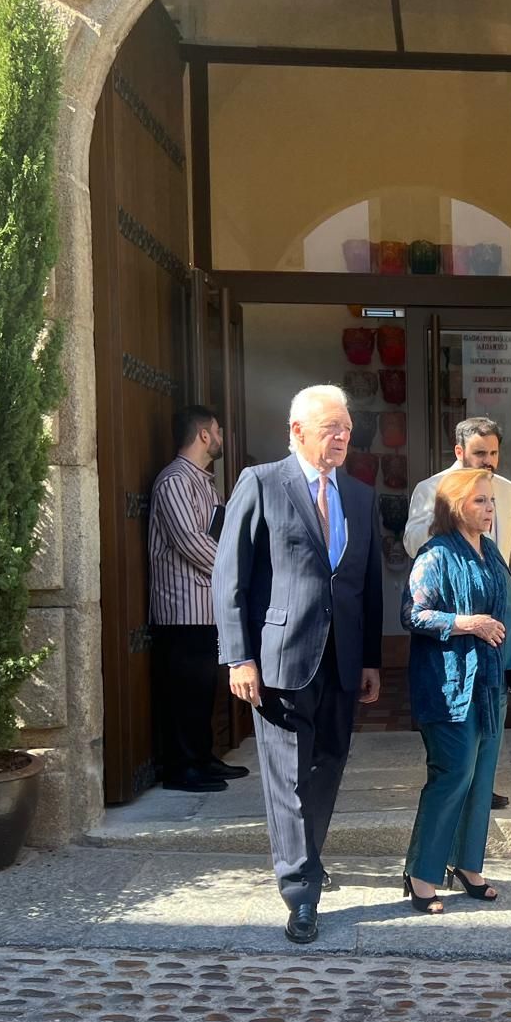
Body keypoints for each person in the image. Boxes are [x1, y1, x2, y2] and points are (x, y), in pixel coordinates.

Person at [213, 384, 383, 945]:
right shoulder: (261, 483)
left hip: (342, 659)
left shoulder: (359, 495)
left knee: (329, 763)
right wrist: (238, 656)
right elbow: (230, 579)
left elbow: (367, 585)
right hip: (280, 658)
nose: (341, 438)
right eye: (330, 428)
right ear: (296, 431)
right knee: (287, 776)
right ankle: (300, 891)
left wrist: (373, 660)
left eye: (347, 429)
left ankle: (309, 856)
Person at [405, 416, 511, 811]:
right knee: (461, 698)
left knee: (495, 695)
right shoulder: (432, 488)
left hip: (498, 606)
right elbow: (411, 542)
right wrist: (450, 518)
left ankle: (483, 781)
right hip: (455, 607)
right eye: (479, 454)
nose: (488, 462)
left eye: (494, 454)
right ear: (459, 452)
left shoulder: (509, 491)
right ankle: (459, 778)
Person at [399, 468, 511, 913]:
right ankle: (422, 873)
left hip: (491, 686)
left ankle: (468, 865)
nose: (489, 510)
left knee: (481, 778)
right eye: (479, 502)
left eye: (490, 502)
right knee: (451, 777)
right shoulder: (434, 555)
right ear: (455, 507)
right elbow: (413, 614)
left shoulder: (490, 553)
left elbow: (507, 613)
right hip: (450, 685)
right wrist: (464, 623)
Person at [147, 404, 247, 792]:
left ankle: (202, 758)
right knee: (185, 690)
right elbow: (189, 541)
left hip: (206, 607)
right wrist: (233, 570)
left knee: (204, 687)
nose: (221, 438)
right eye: (218, 431)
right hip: (181, 609)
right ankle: (181, 767)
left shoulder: (203, 481)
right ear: (204, 434)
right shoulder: (174, 481)